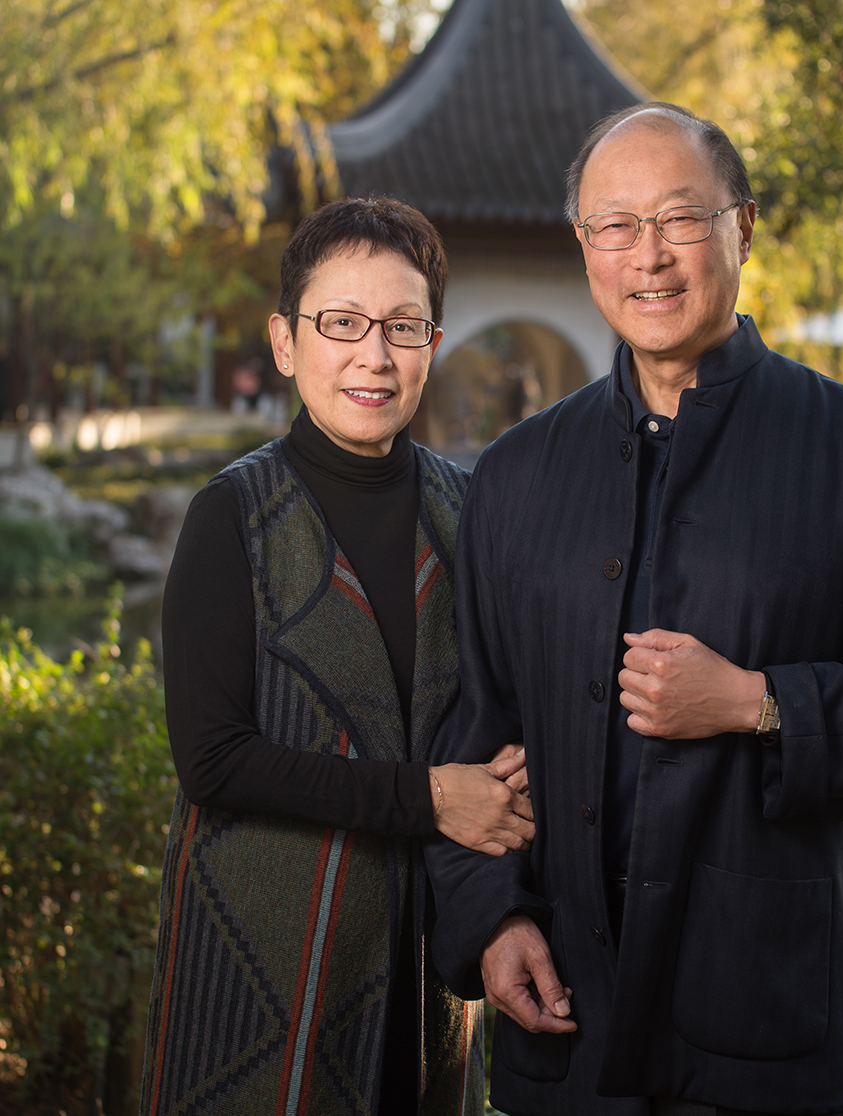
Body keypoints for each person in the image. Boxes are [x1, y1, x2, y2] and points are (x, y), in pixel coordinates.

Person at [425, 103, 843, 1116]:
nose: (649, 256)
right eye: (615, 225)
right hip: (563, 1030)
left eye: (680, 217)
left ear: (744, 227)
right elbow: (474, 741)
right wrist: (490, 921)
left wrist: (755, 702)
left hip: (759, 1023)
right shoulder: (513, 477)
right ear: (584, 248)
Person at [140, 196, 534, 1116]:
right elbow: (212, 758)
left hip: (424, 961)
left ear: (432, 342)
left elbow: (501, 718)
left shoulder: (470, 513)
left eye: (403, 326)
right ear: (286, 342)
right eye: (343, 323)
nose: (375, 354)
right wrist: (434, 797)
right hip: (259, 954)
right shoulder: (230, 516)